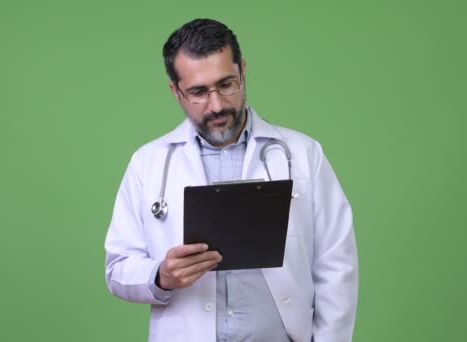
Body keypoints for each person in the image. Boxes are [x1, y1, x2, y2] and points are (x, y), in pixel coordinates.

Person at [104, 18, 358, 342]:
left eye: (226, 84)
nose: (217, 105)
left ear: (243, 71)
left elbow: (336, 266)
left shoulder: (304, 154)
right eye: (198, 92)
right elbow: (118, 268)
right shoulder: (148, 164)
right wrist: (161, 275)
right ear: (176, 91)